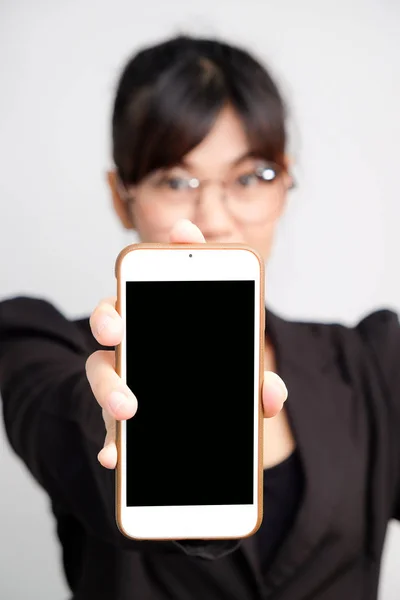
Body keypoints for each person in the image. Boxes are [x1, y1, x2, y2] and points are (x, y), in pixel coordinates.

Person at [0, 34, 399, 600]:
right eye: (175, 180)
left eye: (251, 176)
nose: (212, 218)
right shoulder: (38, 344)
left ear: (285, 184)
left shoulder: (373, 362)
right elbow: (65, 421)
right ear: (122, 196)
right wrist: (116, 415)